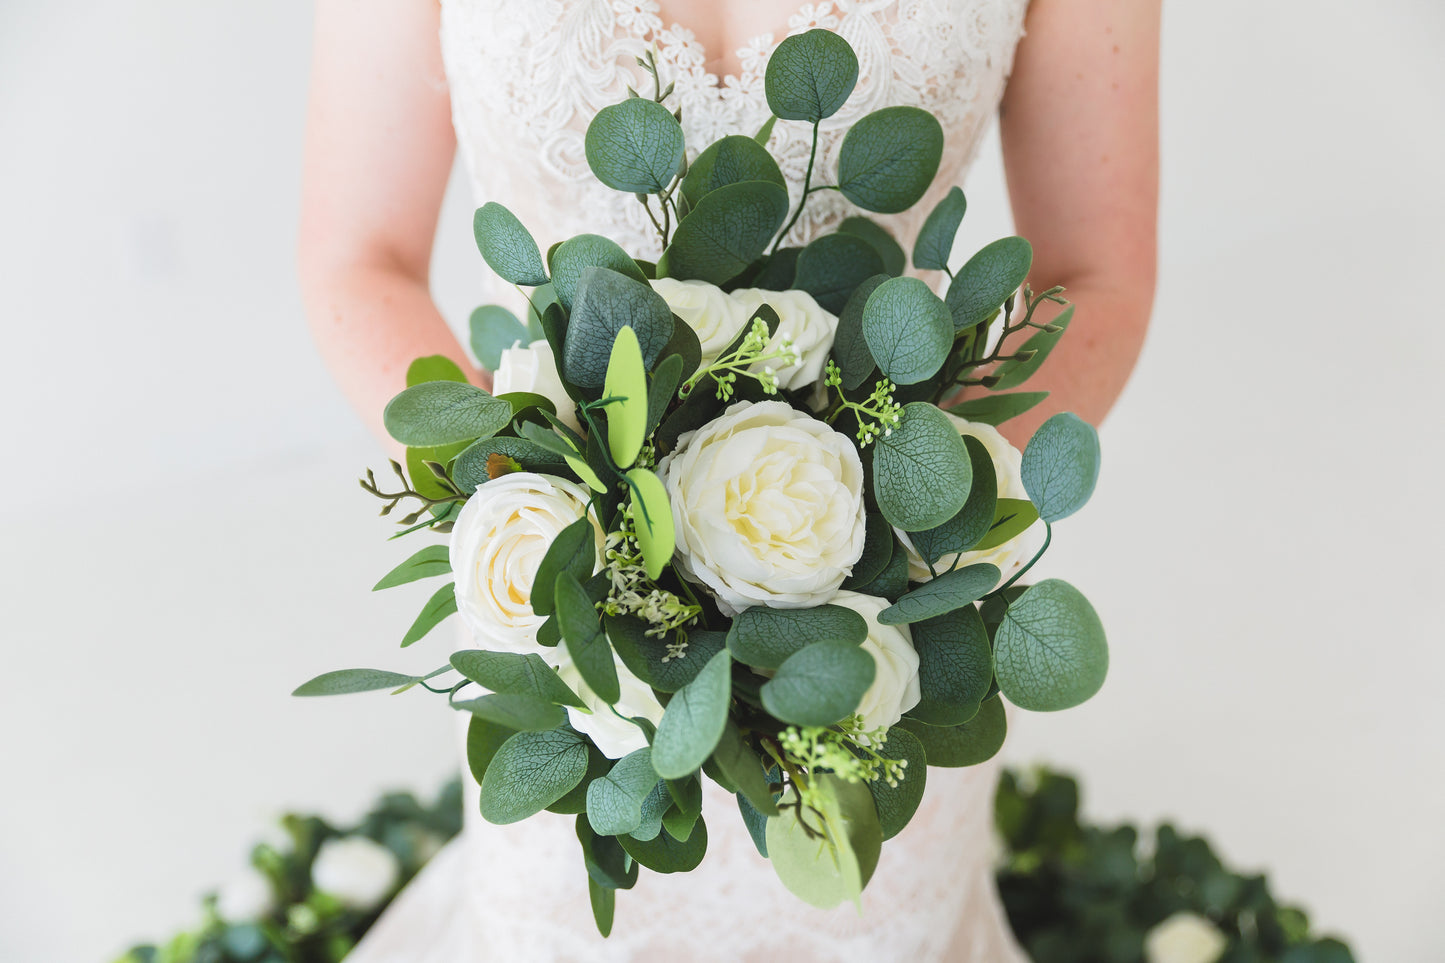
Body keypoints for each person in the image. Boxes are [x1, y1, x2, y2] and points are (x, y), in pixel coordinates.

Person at [299, 1, 1158, 959]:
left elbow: (1095, 272)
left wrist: (901, 524)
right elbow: (358, 259)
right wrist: (536, 492)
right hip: (567, 607)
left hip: (881, 614)